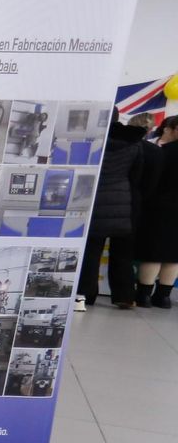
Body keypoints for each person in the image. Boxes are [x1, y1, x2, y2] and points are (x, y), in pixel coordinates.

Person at [76, 118, 144, 309]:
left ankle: (85, 294)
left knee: (91, 251)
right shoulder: (134, 144)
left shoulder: (93, 142)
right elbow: (136, 176)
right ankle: (125, 296)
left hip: (94, 199)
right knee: (122, 253)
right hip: (123, 201)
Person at [136, 115, 178, 308]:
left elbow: (152, 180)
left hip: (159, 207)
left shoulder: (163, 152)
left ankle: (144, 295)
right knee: (173, 256)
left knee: (153, 253)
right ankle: (164, 296)